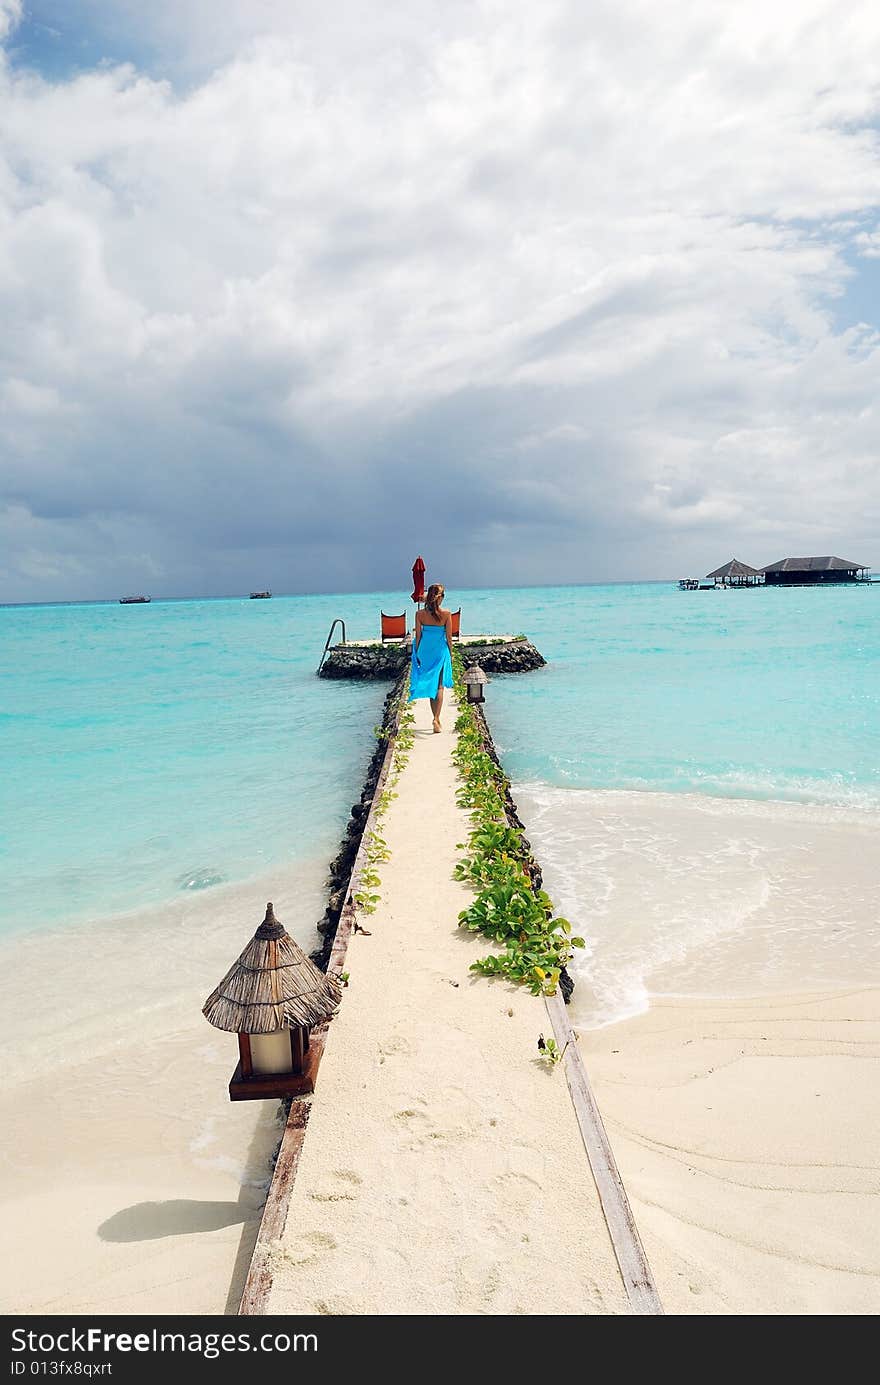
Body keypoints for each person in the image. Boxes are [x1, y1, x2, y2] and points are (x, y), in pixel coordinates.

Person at [410, 582, 454, 732]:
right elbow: (449, 638)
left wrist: (417, 654)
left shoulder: (419, 614)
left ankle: (435, 718)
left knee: (431, 685)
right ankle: (436, 719)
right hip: (440, 651)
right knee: (439, 686)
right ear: (440, 597)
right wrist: (451, 654)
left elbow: (418, 636)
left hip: (425, 651)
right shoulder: (447, 614)